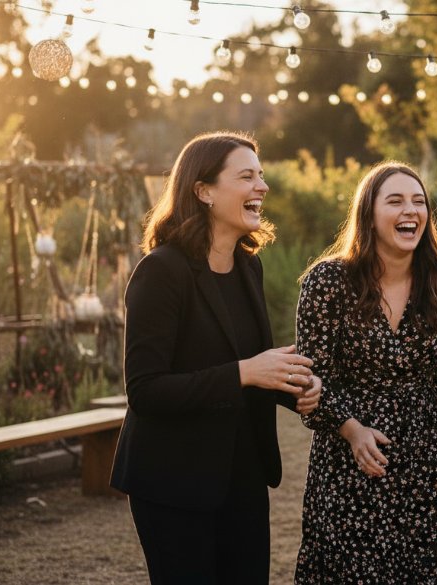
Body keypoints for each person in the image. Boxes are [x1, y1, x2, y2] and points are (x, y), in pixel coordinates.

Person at [109, 131, 322, 584]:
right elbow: (146, 391)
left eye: (261, 176)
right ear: (203, 191)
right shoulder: (161, 271)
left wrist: (294, 386)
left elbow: (245, 363)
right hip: (173, 481)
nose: (261, 186)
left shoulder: (248, 265)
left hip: (242, 476)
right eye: (246, 176)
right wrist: (247, 371)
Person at [293, 161, 437, 584]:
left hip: (427, 457)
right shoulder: (326, 282)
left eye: (418, 202)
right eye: (395, 201)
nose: (410, 210)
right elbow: (311, 378)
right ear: (369, 216)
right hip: (351, 460)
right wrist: (350, 429)